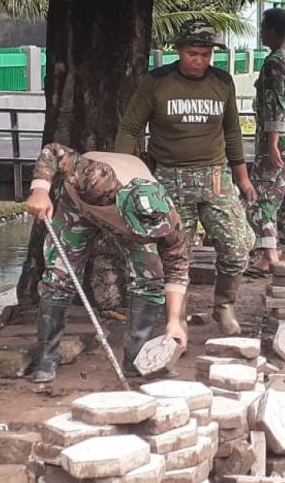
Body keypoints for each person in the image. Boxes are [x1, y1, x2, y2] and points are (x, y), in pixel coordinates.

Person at [116, 19, 255, 336]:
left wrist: (243, 178)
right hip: (170, 177)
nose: (200, 61)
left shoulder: (222, 82)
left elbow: (232, 132)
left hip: (215, 176)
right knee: (176, 253)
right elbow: (129, 130)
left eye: (206, 55)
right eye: (194, 53)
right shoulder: (157, 83)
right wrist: (128, 178)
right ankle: (176, 318)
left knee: (238, 245)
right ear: (178, 51)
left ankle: (224, 306)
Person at [24, 144, 189, 382]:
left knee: (151, 277)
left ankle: (136, 361)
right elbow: (54, 152)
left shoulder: (168, 222)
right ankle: (45, 359)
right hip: (79, 205)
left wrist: (174, 321)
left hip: (128, 212)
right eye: (144, 232)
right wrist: (40, 189)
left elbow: (177, 269)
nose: (149, 238)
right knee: (60, 277)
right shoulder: (97, 179)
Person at [246, 8, 285, 275]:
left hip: (279, 141)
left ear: (272, 31)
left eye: (263, 29)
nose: (261, 33)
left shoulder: (274, 62)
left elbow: (276, 107)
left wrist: (272, 143)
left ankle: (268, 255)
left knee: (260, 196)